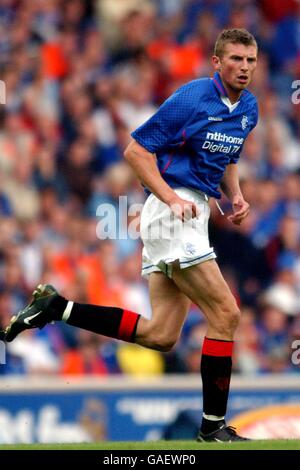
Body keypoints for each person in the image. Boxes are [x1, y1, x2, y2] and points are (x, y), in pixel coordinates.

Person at [3, 28, 258, 442]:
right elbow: (136, 150)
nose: (244, 67)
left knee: (162, 335)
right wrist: (171, 199)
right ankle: (213, 428)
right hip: (171, 210)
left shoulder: (249, 107)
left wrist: (237, 197)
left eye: (250, 60)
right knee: (227, 315)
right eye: (235, 59)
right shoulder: (192, 98)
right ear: (217, 62)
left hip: (193, 214)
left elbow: (229, 155)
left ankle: (56, 308)